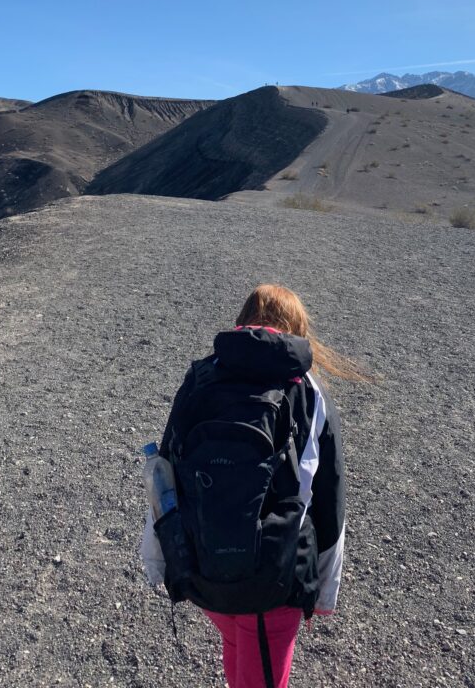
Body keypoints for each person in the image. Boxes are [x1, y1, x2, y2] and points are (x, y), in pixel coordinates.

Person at [140, 284, 366, 688]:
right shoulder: (309, 394)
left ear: (241, 320)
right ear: (296, 330)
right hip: (272, 586)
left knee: (237, 646)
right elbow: (328, 501)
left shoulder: (201, 377)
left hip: (202, 569)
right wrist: (323, 593)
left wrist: (159, 559)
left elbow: (165, 474)